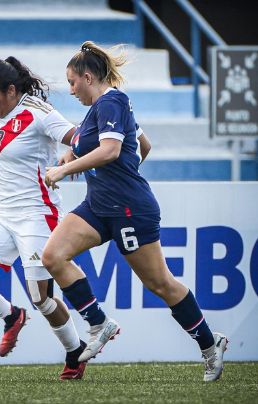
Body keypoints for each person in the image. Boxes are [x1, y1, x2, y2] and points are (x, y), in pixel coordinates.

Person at [42, 41, 227, 382]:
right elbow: (143, 145)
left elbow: (111, 150)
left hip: (129, 210)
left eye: (71, 83)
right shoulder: (99, 108)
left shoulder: (113, 100)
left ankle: (209, 344)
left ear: (86, 77)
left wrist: (66, 170)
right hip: (99, 206)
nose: (70, 90)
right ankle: (99, 323)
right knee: (53, 256)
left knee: (160, 283)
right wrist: (74, 156)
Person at [0, 57, 89, 380]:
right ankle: (11, 316)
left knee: (42, 298)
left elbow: (80, 135)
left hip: (36, 215)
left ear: (11, 91)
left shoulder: (40, 113)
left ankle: (74, 352)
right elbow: (2, 121)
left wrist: (72, 153)